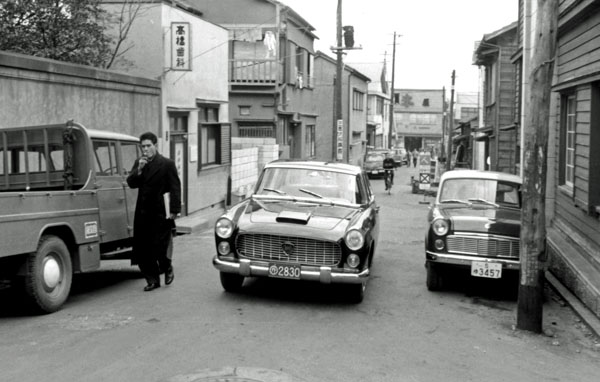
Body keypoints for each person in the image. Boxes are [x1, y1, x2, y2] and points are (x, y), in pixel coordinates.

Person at [127, 132, 181, 291]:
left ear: (155, 146)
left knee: (159, 247)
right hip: (143, 212)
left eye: (148, 146)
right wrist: (139, 170)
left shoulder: (166, 164)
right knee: (143, 249)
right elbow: (131, 183)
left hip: (160, 212)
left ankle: (167, 266)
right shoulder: (139, 163)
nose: (145, 149)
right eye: (143, 146)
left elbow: (175, 188)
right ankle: (152, 280)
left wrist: (175, 210)